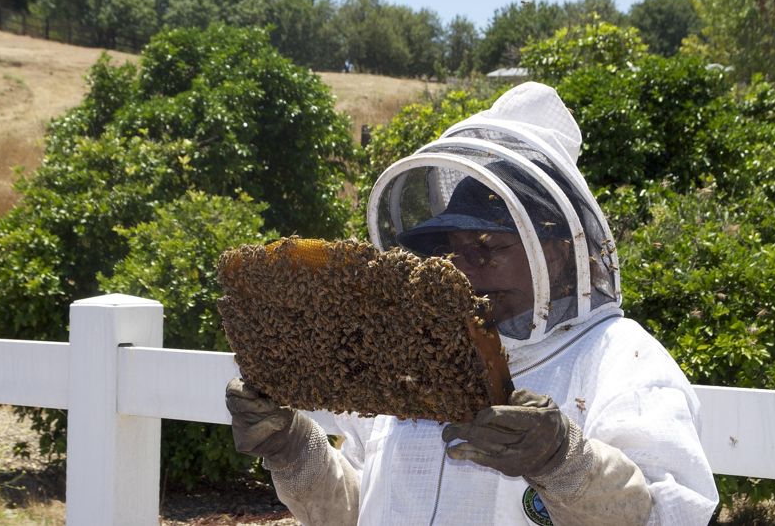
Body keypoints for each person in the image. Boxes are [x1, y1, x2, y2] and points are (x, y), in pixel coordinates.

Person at [225, 82, 719, 525]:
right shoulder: (410, 358)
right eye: (452, 251)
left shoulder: (621, 361)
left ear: (555, 253)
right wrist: (293, 449)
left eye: (487, 247)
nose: (464, 269)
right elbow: (357, 508)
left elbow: (670, 515)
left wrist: (564, 461)